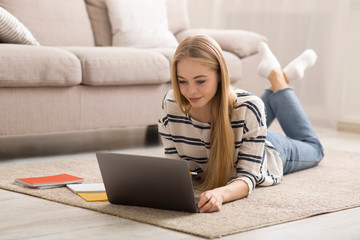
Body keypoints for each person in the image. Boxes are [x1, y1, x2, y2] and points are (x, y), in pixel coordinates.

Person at [158, 35, 324, 213]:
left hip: (268, 148)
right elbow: (176, 172)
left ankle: (278, 78)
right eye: (182, 81)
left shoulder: (249, 107)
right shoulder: (171, 104)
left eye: (201, 81)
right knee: (248, 111)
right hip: (243, 127)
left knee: (314, 148)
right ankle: (281, 75)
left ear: (220, 76)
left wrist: (220, 194)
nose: (190, 91)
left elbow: (248, 176)